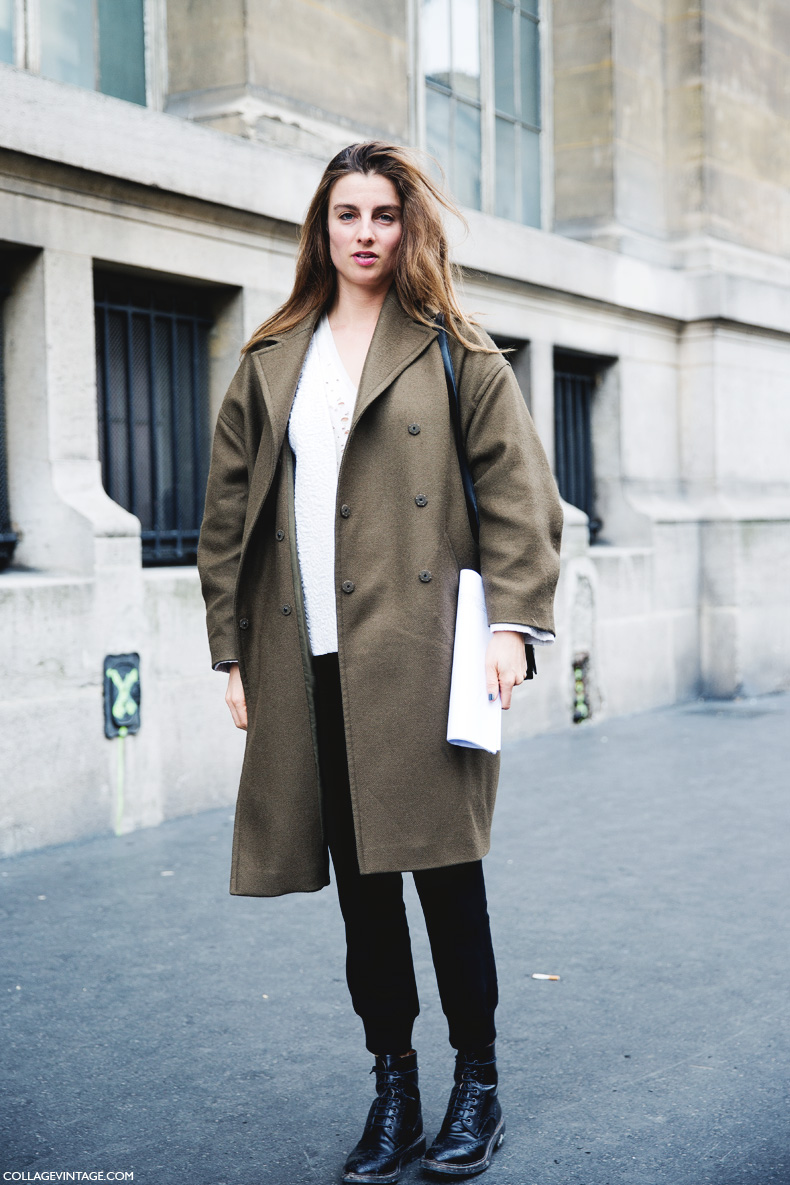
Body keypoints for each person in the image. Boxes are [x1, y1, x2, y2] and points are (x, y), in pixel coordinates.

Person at [197, 141, 563, 1182]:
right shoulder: (273, 356)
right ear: (321, 228)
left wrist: (510, 627)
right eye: (345, 214)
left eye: (383, 215)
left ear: (409, 229)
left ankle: (477, 1086)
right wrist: (230, 652)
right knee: (362, 895)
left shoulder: (454, 348)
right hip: (305, 655)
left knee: (446, 880)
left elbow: (518, 497)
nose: (364, 233)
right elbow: (228, 518)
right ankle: (393, 1086)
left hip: (421, 653)